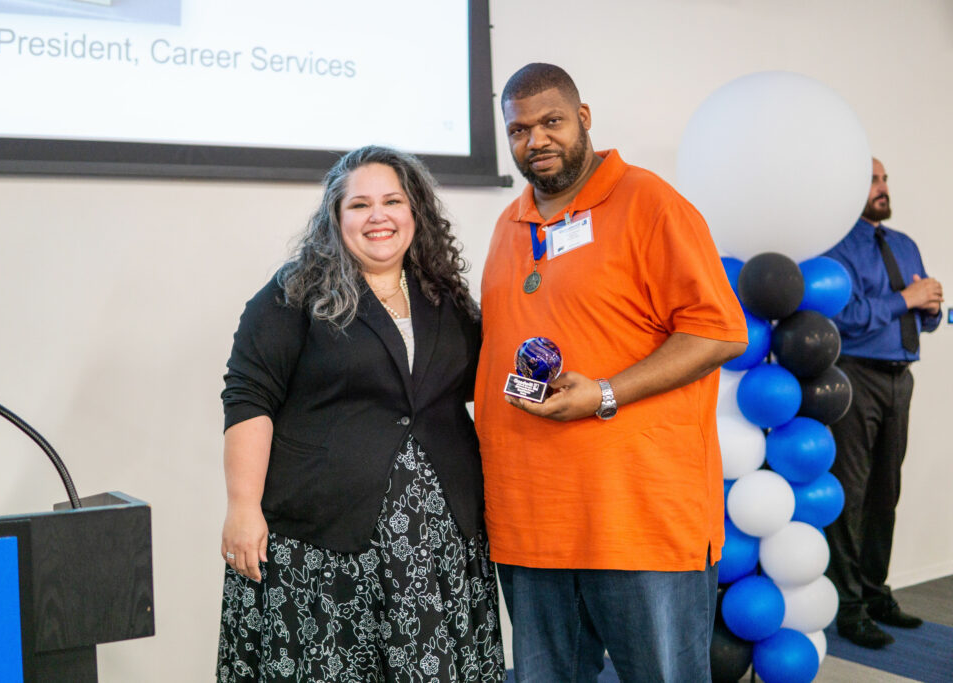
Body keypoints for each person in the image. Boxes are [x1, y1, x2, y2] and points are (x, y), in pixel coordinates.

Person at [474, 63, 748, 682]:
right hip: (531, 523)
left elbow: (718, 328)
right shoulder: (509, 225)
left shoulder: (649, 202)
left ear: (585, 119)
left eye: (552, 122)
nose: (536, 140)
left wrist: (605, 392)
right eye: (519, 130)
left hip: (638, 522)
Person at [216, 145, 504, 682]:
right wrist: (242, 507)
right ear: (336, 217)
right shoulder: (293, 294)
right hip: (326, 543)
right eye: (360, 204)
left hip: (436, 546)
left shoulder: (445, 296)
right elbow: (249, 397)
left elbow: (480, 383)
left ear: (415, 212)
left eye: (393, 201)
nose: (379, 216)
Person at [821, 157, 943, 649]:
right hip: (854, 376)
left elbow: (923, 312)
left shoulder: (903, 243)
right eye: (874, 180)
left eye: (885, 179)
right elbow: (844, 317)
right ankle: (847, 606)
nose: (883, 188)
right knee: (852, 494)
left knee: (885, 493)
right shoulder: (836, 247)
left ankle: (875, 593)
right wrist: (907, 300)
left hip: (900, 378)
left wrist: (930, 307)